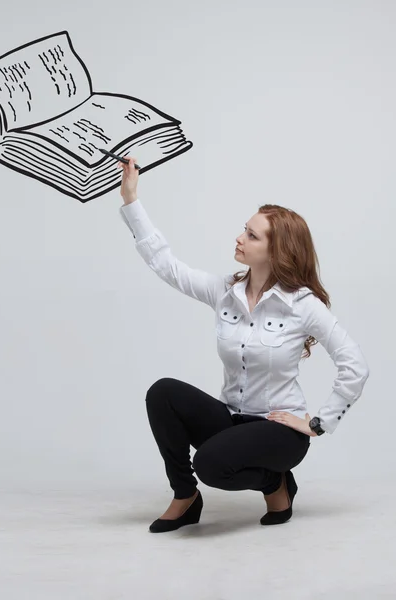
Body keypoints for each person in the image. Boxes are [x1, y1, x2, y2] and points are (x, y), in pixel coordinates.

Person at [117, 156, 370, 534]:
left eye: (252, 235)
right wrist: (131, 199)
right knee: (163, 393)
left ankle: (275, 482)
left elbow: (355, 366)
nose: (239, 238)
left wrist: (318, 423)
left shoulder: (303, 305)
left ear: (277, 250)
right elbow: (166, 265)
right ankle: (185, 495)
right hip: (232, 418)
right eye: (244, 230)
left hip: (278, 429)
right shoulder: (225, 292)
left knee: (210, 464)